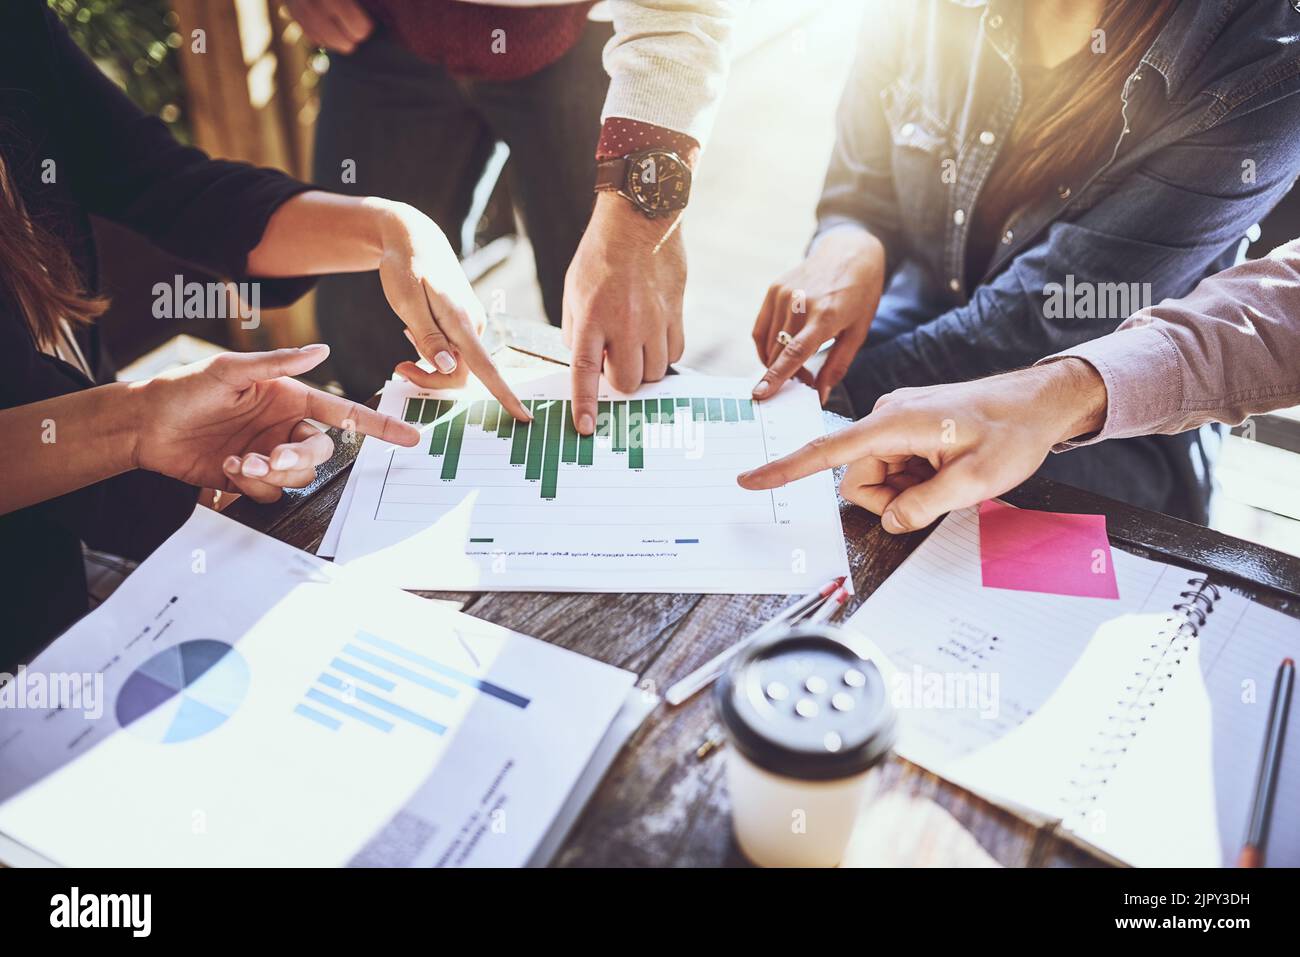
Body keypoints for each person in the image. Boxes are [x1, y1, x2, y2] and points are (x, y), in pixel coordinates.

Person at [0, 1, 523, 662]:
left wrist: (391, 230)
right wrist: (136, 425)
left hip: (110, 516)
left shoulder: (16, 25)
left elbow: (169, 185)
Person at [748, 0, 1300, 524]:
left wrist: (802, 422)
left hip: (1101, 426)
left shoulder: (1266, 64)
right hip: (911, 338)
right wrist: (847, 241)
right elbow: (863, 185)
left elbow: (1024, 327)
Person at [289, 0, 740, 436]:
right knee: (363, 324)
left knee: (614, 335)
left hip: (587, 33)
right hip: (380, 29)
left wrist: (638, 231)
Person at [739, 238, 1300, 535]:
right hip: (967, 366)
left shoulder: (1251, 49)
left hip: (1136, 438)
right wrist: (848, 240)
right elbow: (865, 178)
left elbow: (1033, 314)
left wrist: (848, 399)